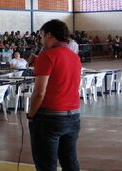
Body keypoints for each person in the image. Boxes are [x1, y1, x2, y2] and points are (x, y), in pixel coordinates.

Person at [27, 19, 81, 171]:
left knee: (46, 165)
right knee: (70, 163)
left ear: (49, 35)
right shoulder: (74, 56)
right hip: (73, 116)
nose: (41, 40)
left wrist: (31, 115)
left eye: (42, 36)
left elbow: (39, 93)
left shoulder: (46, 55)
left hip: (50, 118)